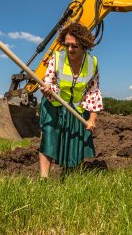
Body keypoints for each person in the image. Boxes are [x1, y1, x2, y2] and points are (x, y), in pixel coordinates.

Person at [38, 22, 103, 179]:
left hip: (77, 108)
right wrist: (48, 89)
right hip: (54, 105)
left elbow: (93, 91)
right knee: (49, 138)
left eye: (74, 46)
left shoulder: (92, 63)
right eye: (67, 45)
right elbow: (49, 81)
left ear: (84, 45)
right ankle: (43, 178)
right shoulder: (57, 58)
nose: (69, 50)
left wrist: (93, 118)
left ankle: (70, 175)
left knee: (74, 142)